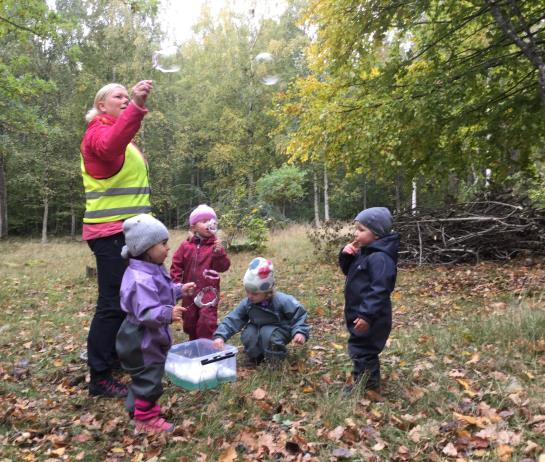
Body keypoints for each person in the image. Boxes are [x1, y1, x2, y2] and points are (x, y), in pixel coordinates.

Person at [81, 80, 153, 397]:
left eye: (128, 95)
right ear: (101, 105)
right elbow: (111, 145)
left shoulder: (119, 135)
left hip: (128, 231)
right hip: (110, 233)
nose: (125, 99)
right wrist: (137, 106)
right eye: (118, 96)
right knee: (111, 304)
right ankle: (99, 377)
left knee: (125, 303)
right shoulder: (98, 133)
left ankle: (113, 358)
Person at [116, 214, 196, 434]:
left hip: (146, 336)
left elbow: (160, 292)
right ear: (146, 248)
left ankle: (137, 409)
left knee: (143, 376)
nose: (168, 248)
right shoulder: (140, 278)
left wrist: (179, 290)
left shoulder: (151, 268)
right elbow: (147, 310)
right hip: (141, 338)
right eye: (163, 244)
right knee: (149, 378)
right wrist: (168, 313)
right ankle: (146, 420)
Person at [338, 207, 399, 393]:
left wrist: (366, 315)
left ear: (377, 234)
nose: (356, 233)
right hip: (361, 312)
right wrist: (346, 256)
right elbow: (349, 272)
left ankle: (367, 387)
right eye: (356, 228)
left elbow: (380, 290)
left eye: (361, 229)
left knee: (363, 349)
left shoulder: (380, 258)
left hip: (372, 316)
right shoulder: (366, 252)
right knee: (360, 347)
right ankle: (364, 381)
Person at [213, 257, 310, 365]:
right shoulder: (248, 303)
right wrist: (220, 336)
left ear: (267, 292)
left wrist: (300, 332)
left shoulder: (282, 301)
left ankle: (275, 361)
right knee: (249, 333)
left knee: (268, 334)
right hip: (257, 327)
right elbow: (234, 318)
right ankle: (256, 358)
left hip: (279, 329)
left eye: (254, 293)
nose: (250, 296)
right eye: (247, 291)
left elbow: (299, 314)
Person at [170, 204, 231, 340]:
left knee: (206, 322)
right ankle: (194, 342)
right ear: (193, 227)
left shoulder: (216, 246)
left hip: (209, 292)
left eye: (212, 221)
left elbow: (223, 267)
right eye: (204, 221)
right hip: (189, 292)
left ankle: (206, 347)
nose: (210, 224)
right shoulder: (186, 245)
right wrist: (176, 283)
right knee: (189, 322)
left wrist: (219, 254)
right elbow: (176, 264)